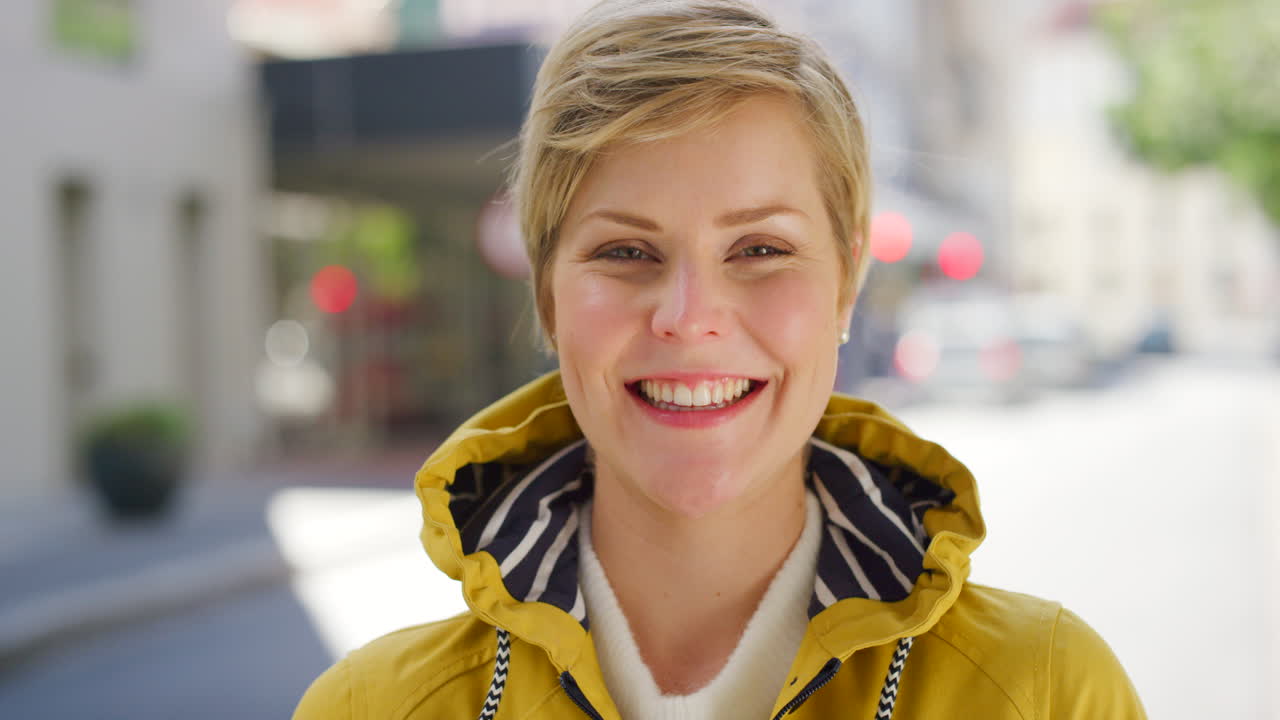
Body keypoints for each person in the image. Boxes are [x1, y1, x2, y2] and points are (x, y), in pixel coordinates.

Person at [294, 1, 1147, 718]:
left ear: (847, 284)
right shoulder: (368, 708)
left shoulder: (1047, 691)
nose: (689, 317)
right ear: (549, 297)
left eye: (761, 249)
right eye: (626, 252)